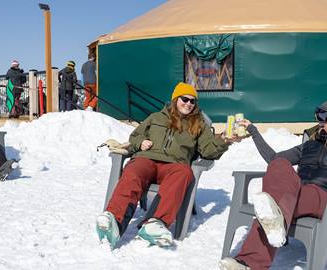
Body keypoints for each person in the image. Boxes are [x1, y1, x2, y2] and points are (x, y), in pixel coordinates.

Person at [219, 96, 327, 270]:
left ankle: (250, 262)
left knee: (274, 207)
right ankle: (251, 259)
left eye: (323, 117)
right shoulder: (310, 145)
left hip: (324, 198)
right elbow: (274, 159)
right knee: (279, 168)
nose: (318, 121)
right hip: (298, 193)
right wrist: (253, 132)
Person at [96, 82, 231, 249]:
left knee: (185, 172)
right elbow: (135, 136)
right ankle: (113, 221)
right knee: (133, 171)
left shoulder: (199, 125)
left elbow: (209, 151)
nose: (188, 103)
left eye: (192, 101)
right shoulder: (155, 117)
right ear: (175, 99)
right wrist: (140, 142)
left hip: (175, 164)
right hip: (147, 159)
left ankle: (155, 223)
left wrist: (225, 140)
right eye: (184, 99)